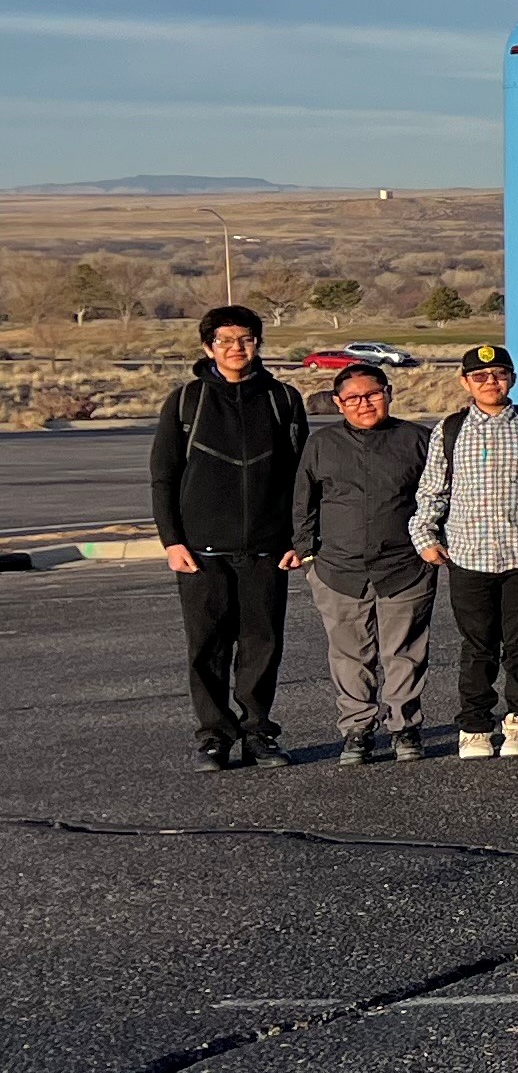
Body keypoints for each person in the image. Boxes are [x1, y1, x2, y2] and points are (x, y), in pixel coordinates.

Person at [151, 302, 307, 769]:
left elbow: (301, 475)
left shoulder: (283, 398)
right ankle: (214, 736)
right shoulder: (186, 401)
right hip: (201, 552)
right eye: (225, 341)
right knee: (207, 647)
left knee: (263, 643)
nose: (236, 348)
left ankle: (259, 732)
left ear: (258, 344)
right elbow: (164, 476)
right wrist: (172, 541)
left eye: (246, 339)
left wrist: (299, 537)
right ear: (208, 347)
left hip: (269, 548)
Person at [412, 339, 518, 760]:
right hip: (467, 556)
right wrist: (425, 537)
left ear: (512, 379)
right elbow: (433, 490)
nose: (490, 382)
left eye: (498, 374)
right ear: (465, 382)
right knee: (476, 645)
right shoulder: (450, 429)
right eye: (479, 376)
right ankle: (475, 726)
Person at [290, 359, 433, 764]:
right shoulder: (323, 444)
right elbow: (304, 500)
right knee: (350, 655)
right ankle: (357, 729)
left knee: (404, 651)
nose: (363, 403)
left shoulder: (418, 439)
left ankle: (405, 727)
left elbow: (440, 496)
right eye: (352, 398)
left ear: (389, 392)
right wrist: (308, 554)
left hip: (405, 566)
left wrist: (433, 547)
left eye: (372, 394)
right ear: (338, 403)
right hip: (338, 569)